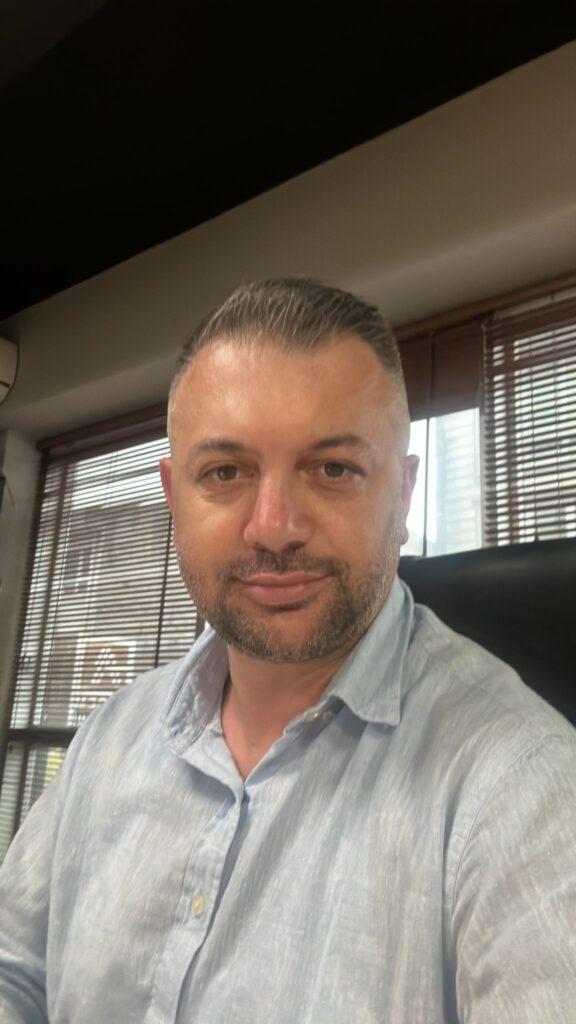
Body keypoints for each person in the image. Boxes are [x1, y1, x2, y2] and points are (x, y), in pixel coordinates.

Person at [0, 278, 575, 1023]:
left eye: (333, 468)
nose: (273, 527)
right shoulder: (108, 740)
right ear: (175, 498)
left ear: (402, 498)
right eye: (225, 472)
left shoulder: (525, 788)